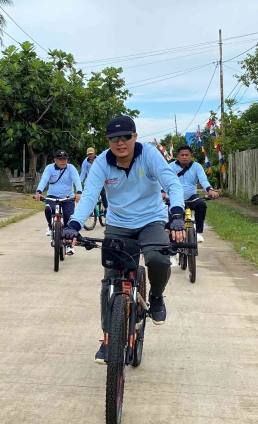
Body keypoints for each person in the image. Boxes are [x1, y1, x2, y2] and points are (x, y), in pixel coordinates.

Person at [62, 115, 186, 364]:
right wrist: (74, 225)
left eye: (126, 137)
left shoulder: (149, 155)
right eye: (114, 138)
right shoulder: (101, 164)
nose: (120, 143)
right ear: (108, 141)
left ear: (135, 137)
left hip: (151, 220)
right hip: (118, 224)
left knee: (158, 260)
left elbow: (172, 183)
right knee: (110, 280)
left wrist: (176, 214)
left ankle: (157, 296)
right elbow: (88, 196)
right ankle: (108, 337)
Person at [35, 149, 82, 255]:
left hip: (67, 198)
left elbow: (77, 180)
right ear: (55, 160)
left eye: (65, 159)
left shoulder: (71, 168)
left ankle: (70, 246)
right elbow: (44, 180)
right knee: (48, 209)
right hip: (52, 196)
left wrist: (79, 192)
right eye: (60, 159)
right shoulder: (49, 168)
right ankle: (51, 226)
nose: (63, 161)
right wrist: (39, 192)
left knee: (69, 219)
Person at [169, 145, 219, 234]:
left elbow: (203, 180)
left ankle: (199, 232)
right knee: (172, 217)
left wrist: (210, 191)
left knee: (201, 205)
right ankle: (173, 240)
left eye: (187, 155)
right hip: (175, 198)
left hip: (192, 197)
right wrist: (163, 193)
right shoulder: (170, 167)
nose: (184, 157)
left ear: (191, 156)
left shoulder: (197, 166)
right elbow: (163, 181)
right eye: (182, 155)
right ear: (178, 156)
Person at [79, 147, 108, 216]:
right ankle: (90, 209)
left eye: (91, 154)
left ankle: (106, 208)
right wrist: (79, 182)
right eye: (89, 154)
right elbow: (83, 173)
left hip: (100, 179)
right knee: (89, 195)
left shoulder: (99, 160)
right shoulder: (85, 162)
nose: (90, 156)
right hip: (90, 180)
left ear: (94, 153)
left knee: (103, 193)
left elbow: (104, 169)